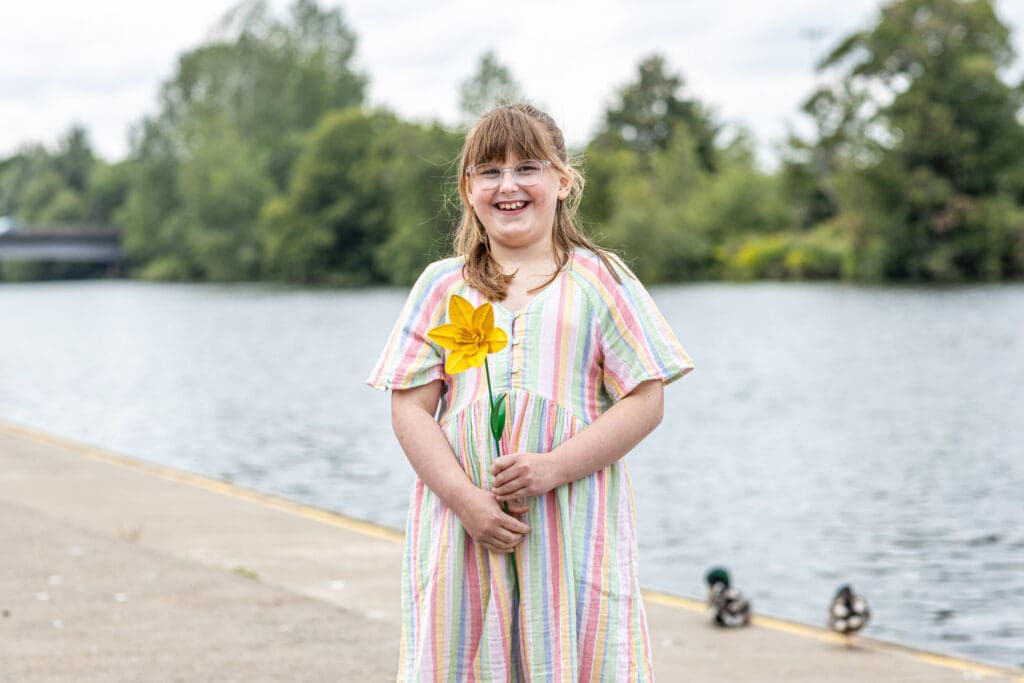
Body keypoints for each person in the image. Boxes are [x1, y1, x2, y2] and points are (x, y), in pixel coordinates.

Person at [367, 103, 693, 681]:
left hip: (569, 523)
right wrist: (466, 500)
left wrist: (553, 467)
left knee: (571, 654)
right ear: (468, 189)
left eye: (528, 167)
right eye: (489, 171)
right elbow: (410, 408)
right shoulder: (443, 285)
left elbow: (646, 400)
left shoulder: (601, 278)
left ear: (563, 181)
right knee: (464, 654)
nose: (508, 184)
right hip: (465, 524)